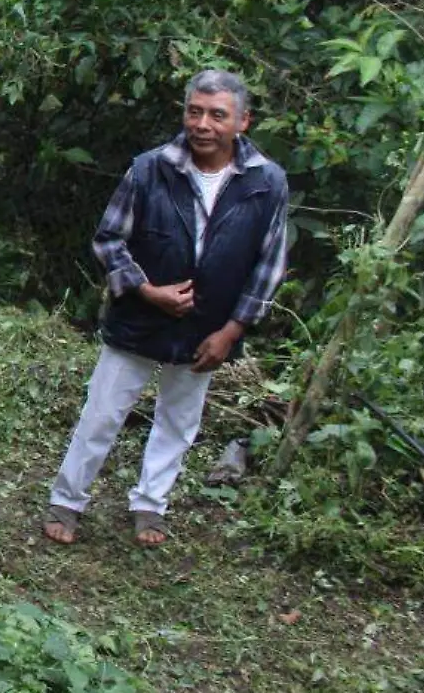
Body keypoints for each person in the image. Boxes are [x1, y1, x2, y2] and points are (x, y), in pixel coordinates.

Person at [43, 69, 289, 547]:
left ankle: (150, 505)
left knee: (179, 421)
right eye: (194, 111)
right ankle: (67, 500)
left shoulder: (266, 182)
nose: (202, 124)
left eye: (217, 115)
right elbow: (109, 239)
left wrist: (232, 331)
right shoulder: (150, 167)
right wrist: (145, 289)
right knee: (102, 413)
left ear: (242, 122)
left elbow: (269, 264)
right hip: (138, 318)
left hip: (207, 327)